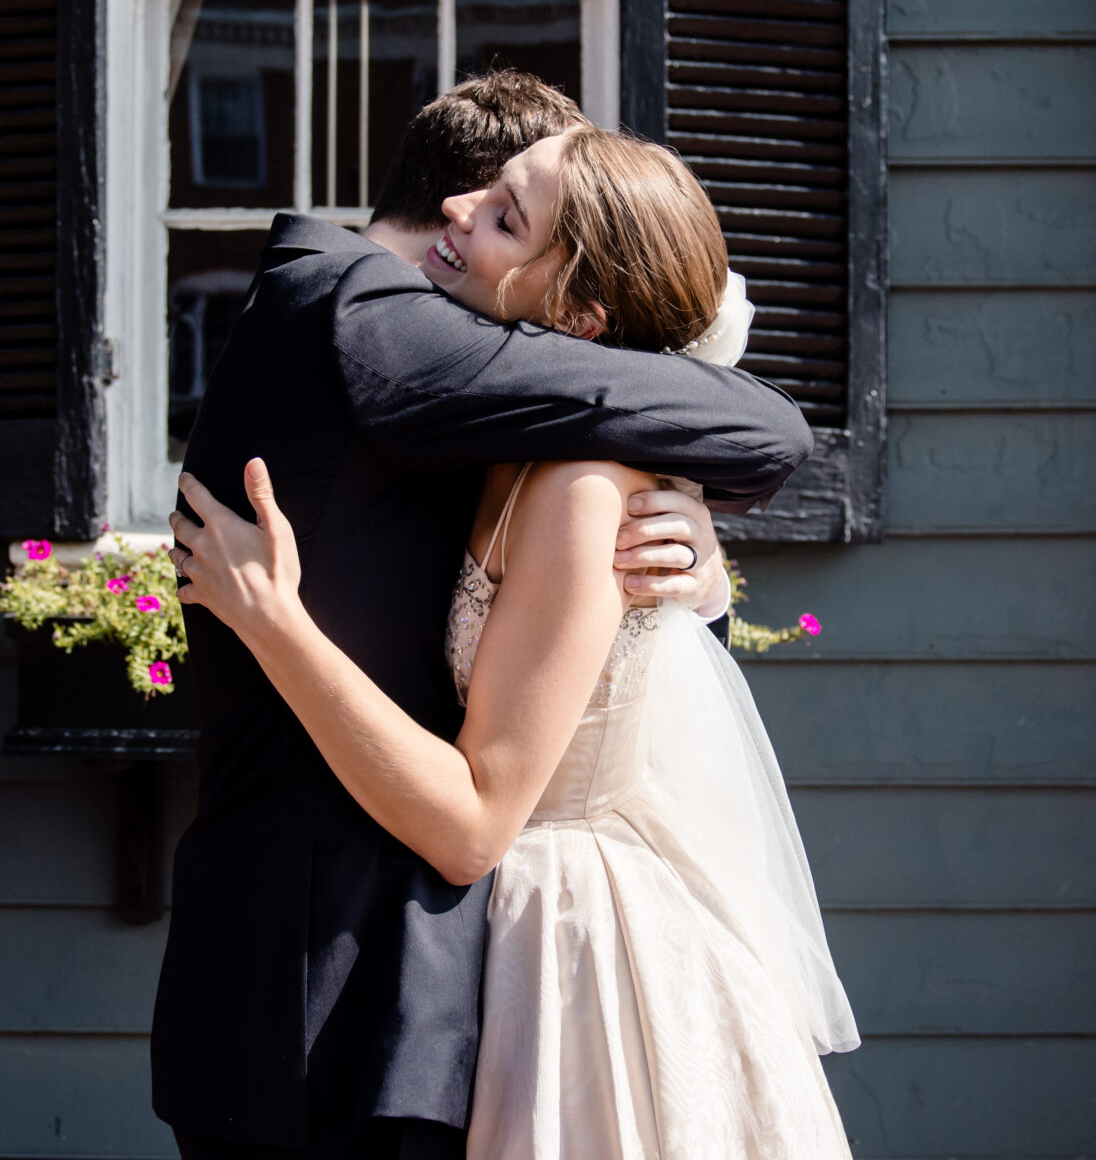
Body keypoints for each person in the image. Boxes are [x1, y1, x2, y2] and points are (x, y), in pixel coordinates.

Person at [151, 74, 813, 1159]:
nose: (469, 221)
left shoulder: (523, 443)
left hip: (506, 963)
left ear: (578, 314)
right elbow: (755, 436)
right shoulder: (365, 319)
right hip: (327, 986)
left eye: (509, 215)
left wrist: (692, 571)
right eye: (484, 199)